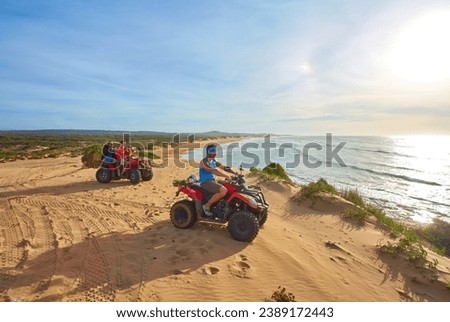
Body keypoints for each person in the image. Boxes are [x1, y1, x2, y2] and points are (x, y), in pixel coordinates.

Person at [199, 145, 233, 217]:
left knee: (230, 185)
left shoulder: (214, 161)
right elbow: (214, 171)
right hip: (205, 182)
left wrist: (235, 173)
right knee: (224, 190)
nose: (215, 153)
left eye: (215, 151)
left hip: (213, 181)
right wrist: (226, 176)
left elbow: (224, 167)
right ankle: (207, 206)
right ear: (208, 152)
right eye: (212, 151)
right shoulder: (204, 162)